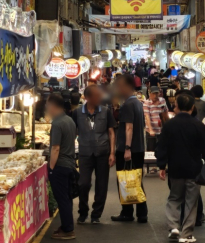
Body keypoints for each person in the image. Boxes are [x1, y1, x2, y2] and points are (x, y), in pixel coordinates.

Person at [156, 93, 205, 243]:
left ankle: (173, 227)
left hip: (175, 167)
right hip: (194, 168)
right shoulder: (198, 125)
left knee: (174, 198)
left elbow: (162, 147)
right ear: (192, 107)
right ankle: (186, 234)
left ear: (177, 107)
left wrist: (162, 165)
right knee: (191, 201)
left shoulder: (169, 125)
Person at [72, 85, 116, 224]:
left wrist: (112, 152)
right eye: (96, 96)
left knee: (102, 184)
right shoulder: (78, 113)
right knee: (83, 183)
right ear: (87, 98)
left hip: (103, 151)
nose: (99, 98)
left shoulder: (105, 111)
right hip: (85, 152)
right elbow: (73, 133)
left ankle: (96, 214)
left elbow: (111, 132)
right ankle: (83, 211)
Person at [111, 74, 148, 223]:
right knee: (136, 180)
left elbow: (129, 128)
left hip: (129, 149)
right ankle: (141, 213)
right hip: (139, 148)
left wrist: (127, 148)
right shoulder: (138, 103)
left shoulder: (127, 105)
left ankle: (127, 212)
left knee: (125, 180)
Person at [46, 94, 77, 240]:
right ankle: (66, 225)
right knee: (67, 197)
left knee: (62, 198)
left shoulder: (57, 123)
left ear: (53, 106)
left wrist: (51, 168)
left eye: (48, 106)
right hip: (70, 163)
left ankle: (68, 229)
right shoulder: (69, 120)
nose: (47, 109)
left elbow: (55, 148)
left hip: (61, 165)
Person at [143, 87, 167, 152]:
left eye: (157, 93)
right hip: (151, 131)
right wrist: (151, 130)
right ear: (150, 94)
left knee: (162, 150)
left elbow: (165, 113)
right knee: (151, 150)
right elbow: (147, 117)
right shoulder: (146, 103)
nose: (155, 96)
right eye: (153, 94)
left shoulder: (162, 101)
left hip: (161, 130)